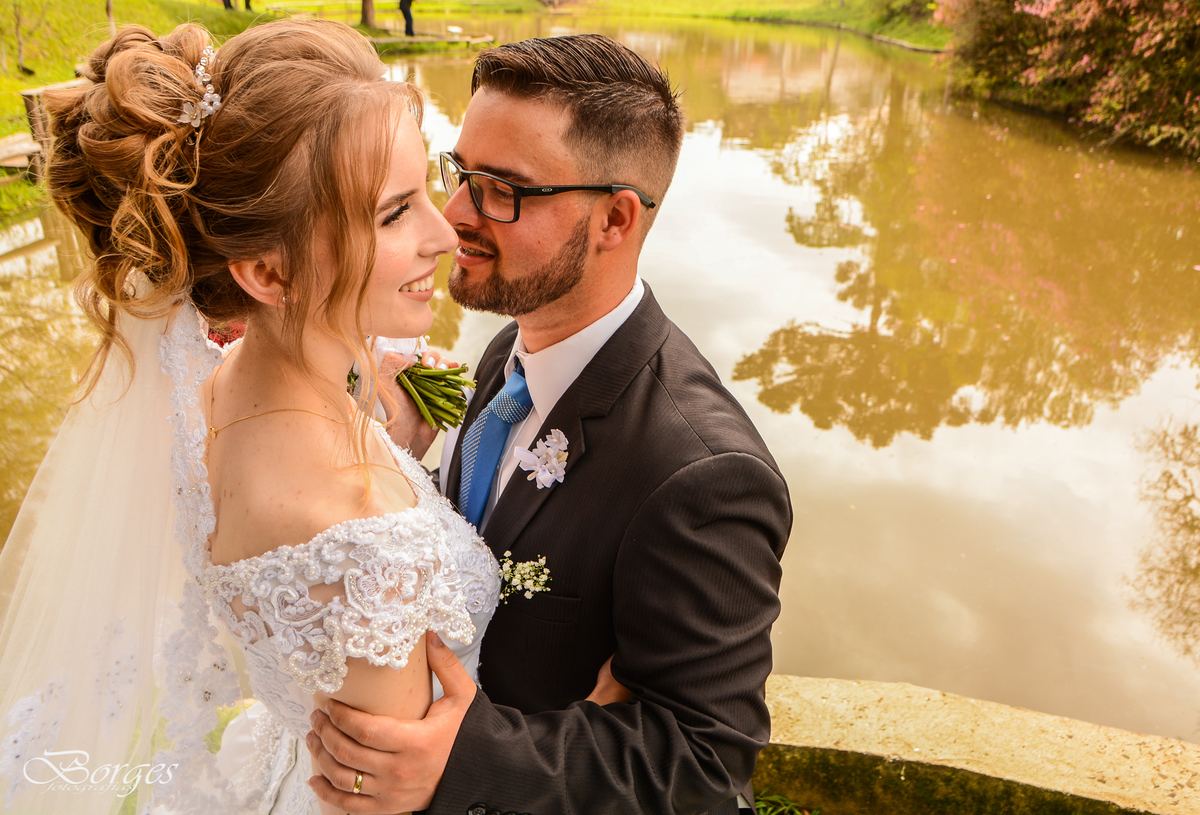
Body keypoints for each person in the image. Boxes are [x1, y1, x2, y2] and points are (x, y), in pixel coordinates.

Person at [0, 19, 630, 815]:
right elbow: (384, 795)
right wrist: (589, 719)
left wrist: (382, 430)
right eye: (394, 213)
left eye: (424, 191)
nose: (445, 232)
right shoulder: (361, 533)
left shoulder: (218, 388)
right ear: (267, 273)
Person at [306, 34, 792, 815]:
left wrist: (467, 757)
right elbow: (481, 540)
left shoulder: (701, 472)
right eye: (460, 172)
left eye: (502, 190)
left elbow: (704, 763)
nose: (453, 216)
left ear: (615, 219)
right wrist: (401, 470)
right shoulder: (509, 347)